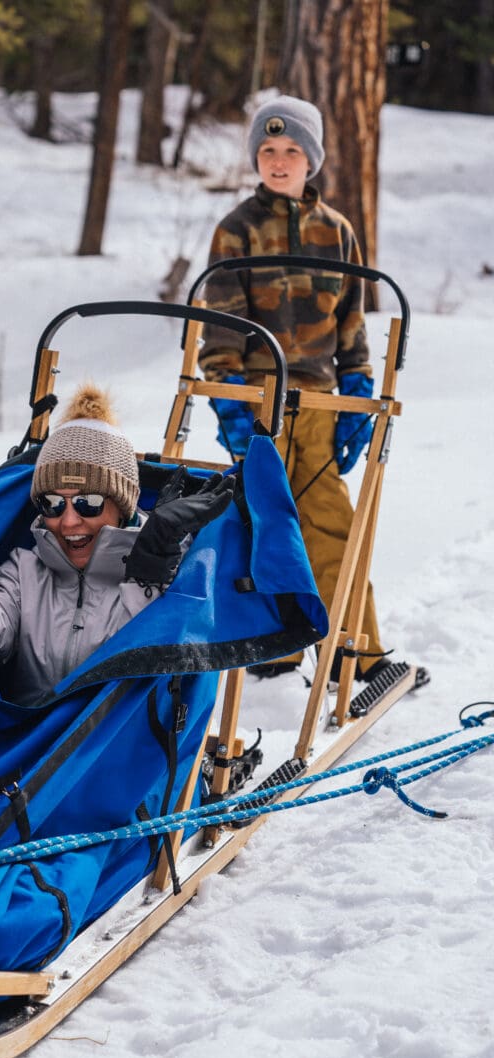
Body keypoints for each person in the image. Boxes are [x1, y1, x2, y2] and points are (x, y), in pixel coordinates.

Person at [199, 94, 399, 684]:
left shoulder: (336, 233)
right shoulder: (235, 231)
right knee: (265, 524)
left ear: (311, 160)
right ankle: (273, 649)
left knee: (332, 523)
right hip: (261, 403)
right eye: (267, 150)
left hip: (318, 403)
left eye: (291, 151)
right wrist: (232, 405)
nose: (279, 162)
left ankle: (353, 650)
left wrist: (358, 392)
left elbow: (351, 325)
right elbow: (221, 332)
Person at [0, 384, 234, 706]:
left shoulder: (167, 568)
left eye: (89, 502)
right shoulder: (26, 570)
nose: (68, 521)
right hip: (29, 752)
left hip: (119, 756)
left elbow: (153, 665)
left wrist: (151, 569)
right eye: (53, 503)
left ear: (124, 507)